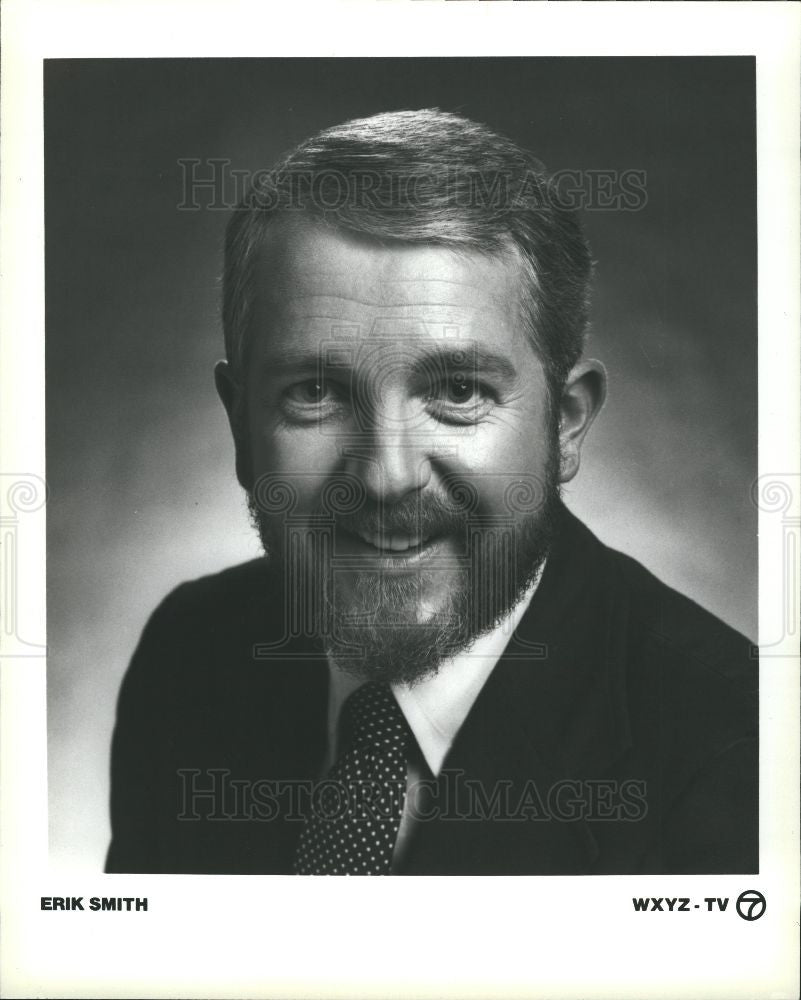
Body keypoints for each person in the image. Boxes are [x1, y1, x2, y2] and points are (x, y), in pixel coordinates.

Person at [106, 109, 757, 875]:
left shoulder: (737, 746)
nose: (386, 476)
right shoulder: (191, 651)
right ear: (239, 422)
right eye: (314, 391)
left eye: (456, 390)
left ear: (567, 424)